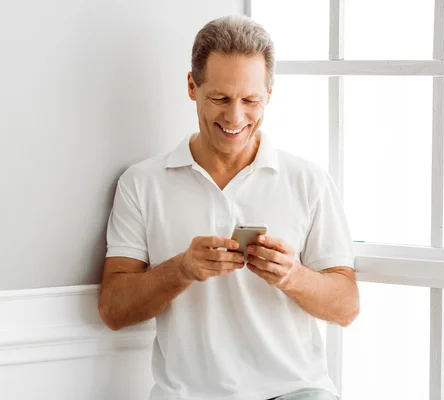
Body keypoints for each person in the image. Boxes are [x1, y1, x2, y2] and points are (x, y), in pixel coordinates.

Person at [98, 15, 359, 400]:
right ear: (192, 86)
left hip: (297, 392)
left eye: (250, 100)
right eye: (219, 98)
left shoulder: (308, 180)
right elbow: (113, 309)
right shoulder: (142, 183)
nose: (235, 118)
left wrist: (291, 275)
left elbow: (346, 307)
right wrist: (181, 269)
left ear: (269, 94)